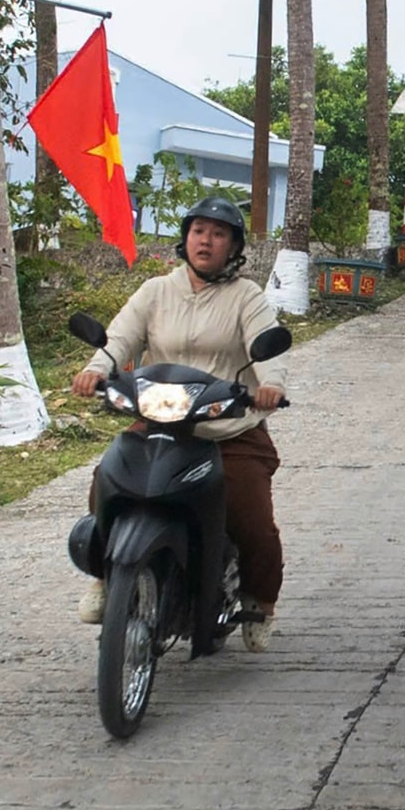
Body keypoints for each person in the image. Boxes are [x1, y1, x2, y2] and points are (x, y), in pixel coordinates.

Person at [72, 195, 288, 652]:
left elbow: (268, 346)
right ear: (185, 238)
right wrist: (97, 368)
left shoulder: (246, 297)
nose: (206, 241)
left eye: (218, 234)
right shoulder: (156, 291)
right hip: (159, 421)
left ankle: (260, 599)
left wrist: (271, 384)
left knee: (251, 514)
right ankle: (106, 577)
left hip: (226, 428)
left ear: (233, 247)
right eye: (198, 231)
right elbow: (120, 337)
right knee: (105, 480)